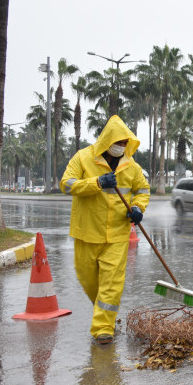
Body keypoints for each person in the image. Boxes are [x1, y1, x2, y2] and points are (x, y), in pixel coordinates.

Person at [60, 115, 150, 345]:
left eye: (124, 143)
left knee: (111, 283)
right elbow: (66, 184)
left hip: (117, 235)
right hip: (86, 232)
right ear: (107, 140)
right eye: (118, 141)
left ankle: (104, 328)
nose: (121, 146)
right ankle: (102, 310)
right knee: (89, 280)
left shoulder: (132, 166)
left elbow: (142, 190)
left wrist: (138, 208)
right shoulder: (83, 158)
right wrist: (97, 183)